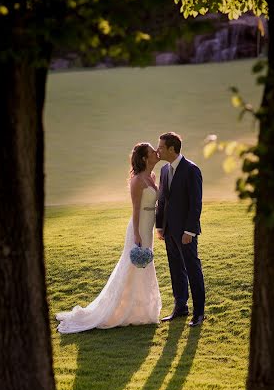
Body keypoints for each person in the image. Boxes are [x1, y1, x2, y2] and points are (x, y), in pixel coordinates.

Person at [56, 143, 162, 333]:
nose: (156, 153)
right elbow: (136, 209)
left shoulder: (152, 177)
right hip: (138, 228)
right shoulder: (137, 180)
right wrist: (137, 234)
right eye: (152, 152)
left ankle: (141, 310)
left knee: (144, 267)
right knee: (131, 267)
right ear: (145, 158)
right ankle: (116, 310)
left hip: (149, 226)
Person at [156, 132, 205, 327]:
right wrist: (160, 226)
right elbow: (162, 200)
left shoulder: (192, 170)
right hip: (168, 231)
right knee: (175, 269)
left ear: (171, 149)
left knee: (193, 269)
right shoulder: (164, 170)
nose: (157, 150)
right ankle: (181, 307)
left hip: (186, 233)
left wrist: (190, 231)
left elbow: (196, 204)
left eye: (160, 147)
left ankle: (199, 313)